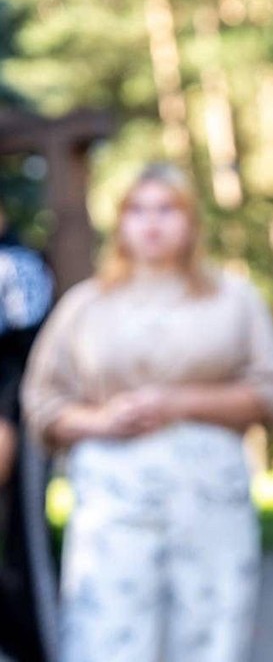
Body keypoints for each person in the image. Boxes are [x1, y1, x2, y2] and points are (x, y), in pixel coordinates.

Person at [21, 163, 273, 662]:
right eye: (138, 210)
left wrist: (180, 403)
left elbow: (272, 391)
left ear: (191, 221)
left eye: (166, 209)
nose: (152, 222)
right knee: (106, 638)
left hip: (210, 497)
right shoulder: (86, 305)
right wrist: (100, 422)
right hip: (113, 502)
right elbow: (42, 403)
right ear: (120, 222)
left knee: (210, 636)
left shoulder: (233, 298)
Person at [0, 198, 57, 662]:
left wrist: (6, 420)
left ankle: (39, 647)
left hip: (13, 419)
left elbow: (28, 355)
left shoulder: (16, 265)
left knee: (23, 543)